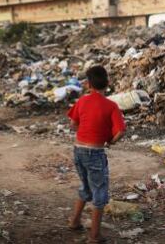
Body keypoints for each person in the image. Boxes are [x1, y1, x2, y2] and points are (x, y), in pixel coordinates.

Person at [67, 65, 126, 243]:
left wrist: (83, 133)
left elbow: (73, 124)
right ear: (107, 83)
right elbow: (121, 132)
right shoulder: (111, 106)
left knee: (86, 186)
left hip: (78, 150)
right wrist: (110, 142)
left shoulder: (82, 101)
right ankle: (94, 236)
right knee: (99, 191)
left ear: (88, 84)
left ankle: (74, 221)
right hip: (95, 153)